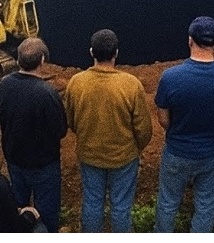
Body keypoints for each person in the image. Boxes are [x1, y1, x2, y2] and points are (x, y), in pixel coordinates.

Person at [153, 15, 214, 231]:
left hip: (177, 151)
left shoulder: (170, 77)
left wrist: (177, 129)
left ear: (190, 40)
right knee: (206, 206)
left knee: (167, 203)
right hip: (213, 153)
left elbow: (163, 118)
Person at [63, 27, 153, 232]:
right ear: (116, 53)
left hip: (90, 155)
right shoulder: (131, 85)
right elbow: (143, 129)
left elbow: (70, 120)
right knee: (121, 207)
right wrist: (135, 148)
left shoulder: (76, 82)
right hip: (124, 158)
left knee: (92, 203)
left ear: (92, 52)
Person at [0, 36, 68, 232]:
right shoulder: (47, 94)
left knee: (18, 208)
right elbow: (61, 130)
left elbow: (0, 112)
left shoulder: (3, 85)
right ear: (43, 60)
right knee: (47, 214)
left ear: (18, 60)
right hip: (44, 165)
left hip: (14, 160)